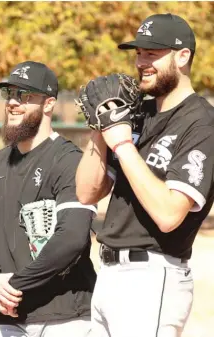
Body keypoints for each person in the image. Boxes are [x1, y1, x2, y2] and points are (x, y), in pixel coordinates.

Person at [76, 13, 214, 337]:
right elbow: (86, 193)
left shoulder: (201, 122)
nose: (141, 61)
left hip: (152, 277)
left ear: (183, 56)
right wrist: (101, 127)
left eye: (152, 53)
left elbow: (169, 214)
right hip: (109, 273)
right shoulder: (140, 114)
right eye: (138, 53)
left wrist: (122, 143)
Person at [0, 61, 97, 337]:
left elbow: (72, 239)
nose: (13, 103)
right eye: (11, 95)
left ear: (48, 104)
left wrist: (16, 285)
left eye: (26, 96)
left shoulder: (68, 160)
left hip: (63, 316)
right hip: (7, 316)